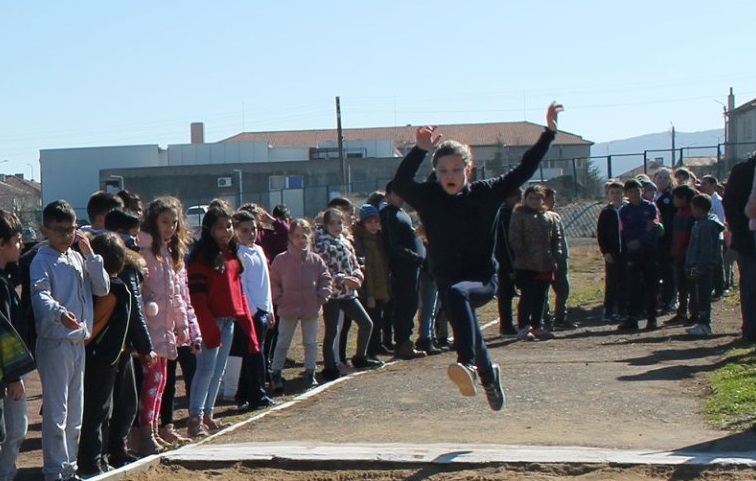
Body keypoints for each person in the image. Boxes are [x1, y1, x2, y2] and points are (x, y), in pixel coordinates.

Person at [392, 102, 563, 411]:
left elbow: (525, 168)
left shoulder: (488, 192)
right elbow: (402, 184)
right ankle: (488, 376)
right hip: (447, 277)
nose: (450, 176)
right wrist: (418, 150)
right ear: (436, 173)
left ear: (468, 170)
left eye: (457, 169)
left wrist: (548, 133)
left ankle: (467, 364)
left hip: (482, 278)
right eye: (443, 171)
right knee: (466, 322)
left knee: (459, 299)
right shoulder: (429, 197)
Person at [31, 200, 110, 481]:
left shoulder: (77, 258)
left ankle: (69, 467)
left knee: (75, 411)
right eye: (60, 230)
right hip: (55, 342)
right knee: (57, 410)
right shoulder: (42, 259)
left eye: (71, 230)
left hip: (78, 342)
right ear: (45, 230)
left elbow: (102, 287)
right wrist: (58, 313)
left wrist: (90, 255)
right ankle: (54, 470)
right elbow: (39, 294)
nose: (66, 236)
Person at [78, 233, 154, 476]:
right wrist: (145, 347)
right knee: (99, 410)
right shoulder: (116, 288)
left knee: (118, 405)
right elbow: (134, 318)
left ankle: (107, 454)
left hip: (112, 352)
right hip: (103, 355)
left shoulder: (95, 284)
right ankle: (92, 461)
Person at [187, 207, 262, 431]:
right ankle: (195, 418)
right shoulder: (202, 258)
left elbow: (238, 291)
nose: (226, 231)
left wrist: (246, 322)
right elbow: (198, 296)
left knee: (218, 371)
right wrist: (208, 328)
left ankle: (208, 414)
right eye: (220, 227)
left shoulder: (232, 255)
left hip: (229, 321)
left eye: (228, 226)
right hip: (211, 321)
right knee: (205, 370)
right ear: (209, 229)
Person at [137, 197, 201, 452]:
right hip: (150, 329)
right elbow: (141, 292)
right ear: (153, 221)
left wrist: (183, 326)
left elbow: (178, 295)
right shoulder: (144, 253)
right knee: (152, 383)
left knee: (161, 382)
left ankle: (154, 431)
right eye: (165, 222)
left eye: (174, 222)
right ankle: (144, 434)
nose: (170, 227)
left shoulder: (170, 253)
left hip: (166, 329)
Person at [102, 209, 163, 465]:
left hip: (117, 341)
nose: (135, 243)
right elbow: (133, 308)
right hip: (117, 343)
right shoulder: (124, 264)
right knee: (117, 402)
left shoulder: (105, 257)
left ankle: (115, 449)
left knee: (122, 400)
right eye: (131, 236)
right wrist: (146, 345)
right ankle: (109, 451)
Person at [314, 208, 381, 381]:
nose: (337, 226)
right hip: (333, 294)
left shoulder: (345, 241)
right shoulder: (321, 244)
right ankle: (329, 367)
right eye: (332, 223)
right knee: (332, 331)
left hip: (349, 293)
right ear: (326, 224)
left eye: (339, 222)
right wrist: (343, 279)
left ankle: (360, 357)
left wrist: (358, 277)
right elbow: (323, 271)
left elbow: (356, 264)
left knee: (366, 323)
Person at [269, 219, 332, 390]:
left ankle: (310, 372)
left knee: (311, 342)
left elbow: (325, 278)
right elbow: (273, 281)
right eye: (297, 236)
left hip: (310, 307)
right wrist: (279, 299)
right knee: (283, 341)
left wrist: (321, 297)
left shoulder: (315, 259)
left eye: (304, 236)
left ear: (309, 237)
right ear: (290, 237)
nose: (300, 240)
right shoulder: (281, 260)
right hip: (288, 307)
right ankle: (276, 373)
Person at [0, 209, 35, 481]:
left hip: (10, 371)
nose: (21, 244)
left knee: (16, 429)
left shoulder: (6, 277)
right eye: (16, 239)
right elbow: (3, 332)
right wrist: (13, 375)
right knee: (8, 431)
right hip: (6, 372)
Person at [230, 210, 275, 410]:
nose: (251, 234)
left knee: (258, 353)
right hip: (251, 313)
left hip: (263, 309)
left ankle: (245, 393)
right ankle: (256, 395)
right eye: (245, 230)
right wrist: (252, 311)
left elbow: (265, 283)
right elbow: (241, 285)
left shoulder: (258, 250)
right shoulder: (239, 253)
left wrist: (269, 308)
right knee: (254, 356)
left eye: (253, 229)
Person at [380, 181, 427, 360]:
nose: (400, 198)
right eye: (396, 194)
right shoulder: (388, 215)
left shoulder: (402, 213)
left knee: (411, 303)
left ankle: (406, 340)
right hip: (401, 267)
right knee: (404, 305)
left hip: (412, 267)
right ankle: (402, 342)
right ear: (388, 195)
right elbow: (393, 246)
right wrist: (414, 257)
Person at [509, 185, 561, 341]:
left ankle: (537, 326)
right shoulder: (519, 215)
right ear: (525, 199)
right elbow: (515, 237)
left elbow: (555, 237)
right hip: (526, 264)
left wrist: (556, 254)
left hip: (545, 263)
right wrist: (522, 254)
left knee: (541, 296)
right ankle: (523, 326)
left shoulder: (548, 216)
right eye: (531, 198)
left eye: (537, 198)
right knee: (528, 296)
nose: (534, 201)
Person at [616, 179, 662, 332]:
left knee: (651, 285)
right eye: (631, 191)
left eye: (637, 190)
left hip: (649, 251)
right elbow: (626, 230)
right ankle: (632, 318)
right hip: (633, 252)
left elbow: (652, 228)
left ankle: (652, 317)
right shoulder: (625, 211)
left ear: (642, 190)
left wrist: (640, 238)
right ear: (626, 194)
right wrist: (634, 240)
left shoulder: (650, 207)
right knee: (633, 286)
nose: (634, 194)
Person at [351, 204, 393, 358]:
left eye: (376, 222)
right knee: (371, 321)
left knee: (378, 320)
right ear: (363, 223)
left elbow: (383, 266)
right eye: (370, 222)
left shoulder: (379, 239)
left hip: (381, 286)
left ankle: (377, 345)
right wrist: (369, 294)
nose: (374, 225)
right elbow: (366, 269)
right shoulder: (360, 242)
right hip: (370, 290)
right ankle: (369, 351)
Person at [723, 153, 756, 342]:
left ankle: (750, 329)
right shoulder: (743, 171)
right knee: (750, 284)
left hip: (745, 236)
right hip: (747, 237)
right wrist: (740, 231)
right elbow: (732, 204)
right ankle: (751, 329)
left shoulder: (741, 170)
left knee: (750, 285)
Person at [684, 194, 724, 337]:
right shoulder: (699, 223)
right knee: (699, 296)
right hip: (698, 266)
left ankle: (704, 324)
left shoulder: (707, 225)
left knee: (704, 296)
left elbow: (706, 249)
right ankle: (701, 321)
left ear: (699, 208)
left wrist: (700, 267)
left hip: (705, 268)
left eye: (693, 207)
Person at [664, 185, 698, 326]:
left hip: (688, 255)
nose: (673, 200)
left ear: (684, 198)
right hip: (678, 253)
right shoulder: (678, 214)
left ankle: (694, 313)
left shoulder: (693, 214)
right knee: (681, 286)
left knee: (691, 286)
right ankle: (682, 312)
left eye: (675, 197)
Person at [542, 186, 574, 330]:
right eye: (550, 198)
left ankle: (561, 317)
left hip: (560, 258)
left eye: (554, 198)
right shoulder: (536, 217)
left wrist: (563, 254)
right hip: (545, 260)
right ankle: (545, 319)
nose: (553, 201)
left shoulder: (555, 216)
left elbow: (561, 239)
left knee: (563, 289)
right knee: (543, 290)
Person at [494, 187, 522, 337]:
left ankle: (514, 323)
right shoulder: (504, 215)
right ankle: (506, 325)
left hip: (513, 260)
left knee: (508, 293)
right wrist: (510, 267)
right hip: (506, 262)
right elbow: (504, 243)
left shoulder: (514, 213)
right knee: (505, 294)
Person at [597, 180, 626, 322]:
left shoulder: (628, 209)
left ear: (623, 193)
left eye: (618, 192)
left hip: (627, 253)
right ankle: (608, 309)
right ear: (608, 194)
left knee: (625, 281)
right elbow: (601, 234)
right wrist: (605, 252)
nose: (615, 195)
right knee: (612, 281)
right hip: (612, 252)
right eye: (612, 193)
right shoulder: (606, 212)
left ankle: (623, 310)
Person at [653, 168, 677, 314]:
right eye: (659, 177)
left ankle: (670, 300)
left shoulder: (670, 198)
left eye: (665, 178)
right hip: (653, 240)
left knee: (668, 271)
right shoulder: (653, 196)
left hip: (666, 239)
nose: (661, 180)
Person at [699, 175, 727, 298]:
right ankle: (711, 287)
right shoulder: (704, 199)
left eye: (705, 184)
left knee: (717, 263)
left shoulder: (718, 201)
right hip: (705, 237)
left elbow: (721, 220)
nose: (702, 186)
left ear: (712, 185)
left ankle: (720, 288)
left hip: (716, 237)